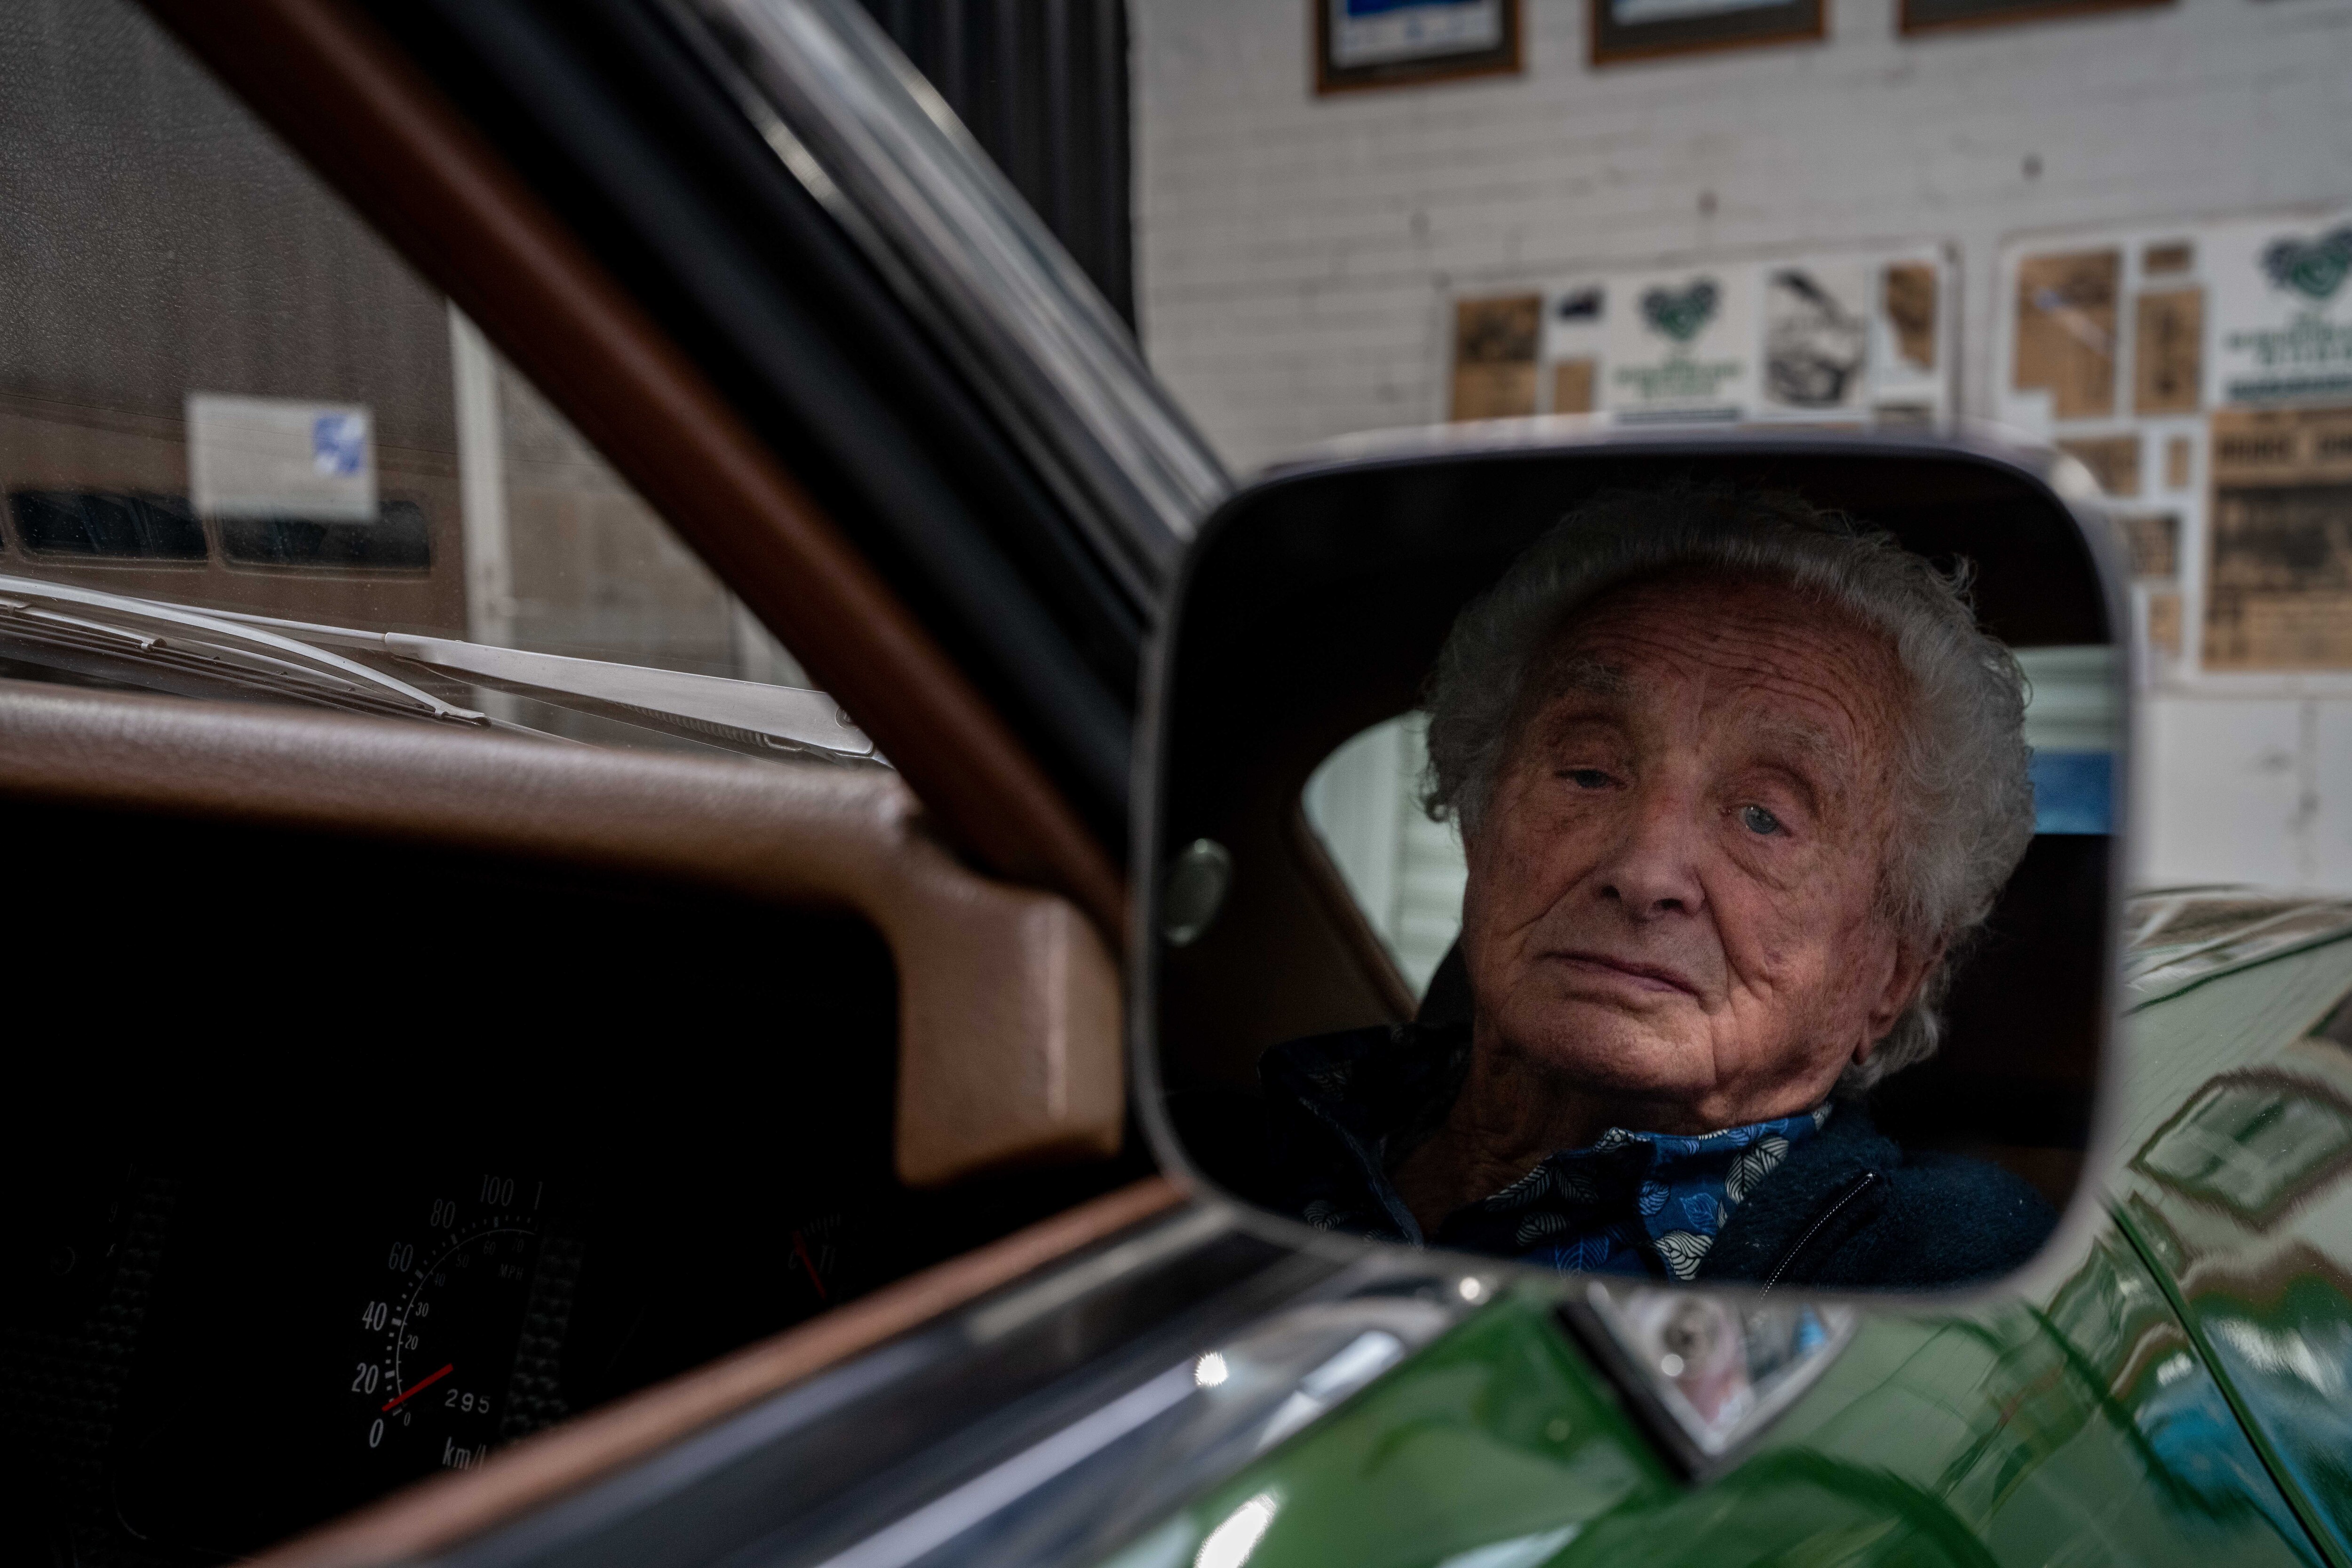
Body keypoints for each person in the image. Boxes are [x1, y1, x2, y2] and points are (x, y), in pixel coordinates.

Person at [1263, 483, 2057, 1289]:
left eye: (1762, 817)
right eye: (1589, 772)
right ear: (1480, 826)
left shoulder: (1944, 1272)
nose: (1644, 875)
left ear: (1893, 972)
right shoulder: (1251, 1130)